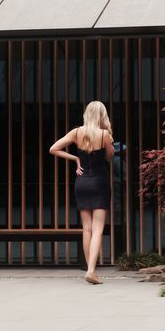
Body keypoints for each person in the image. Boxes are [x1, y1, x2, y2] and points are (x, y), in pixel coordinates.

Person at [49, 101, 114, 284]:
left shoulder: (76, 132)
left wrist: (76, 158)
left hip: (82, 182)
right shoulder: (104, 135)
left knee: (86, 228)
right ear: (102, 115)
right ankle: (92, 271)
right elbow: (109, 158)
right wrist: (110, 146)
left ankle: (89, 269)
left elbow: (53, 149)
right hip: (99, 182)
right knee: (98, 229)